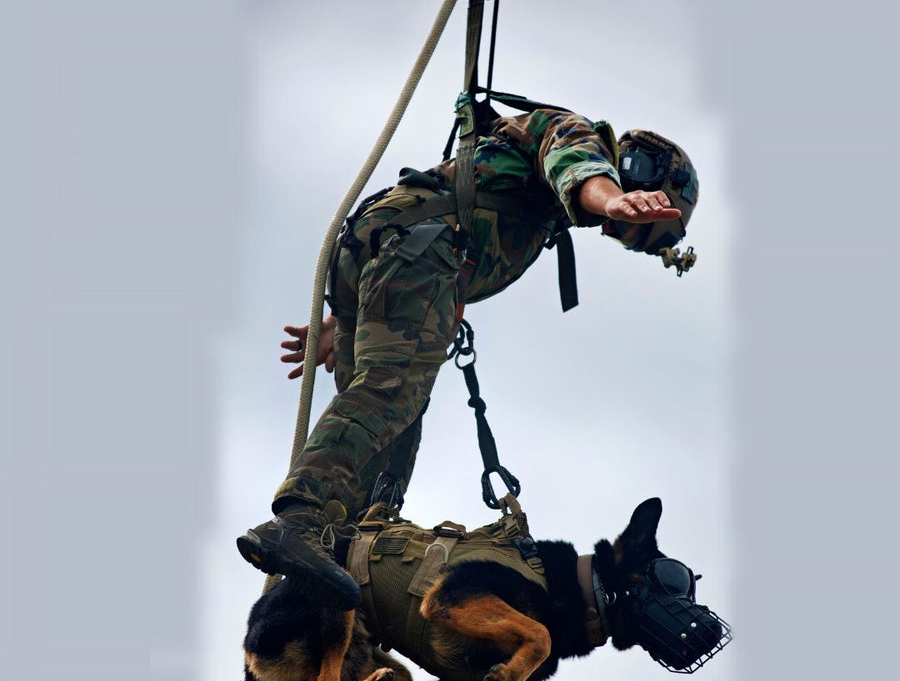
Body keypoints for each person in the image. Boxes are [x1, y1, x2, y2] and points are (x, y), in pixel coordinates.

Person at [237, 107, 699, 609]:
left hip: (388, 256)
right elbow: (576, 164)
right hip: (418, 252)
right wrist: (614, 201)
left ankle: (333, 562)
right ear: (639, 173)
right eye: (638, 228)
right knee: (391, 397)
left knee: (392, 427)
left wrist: (347, 315)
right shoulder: (573, 134)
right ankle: (301, 518)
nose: (620, 234)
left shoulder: (531, 193)